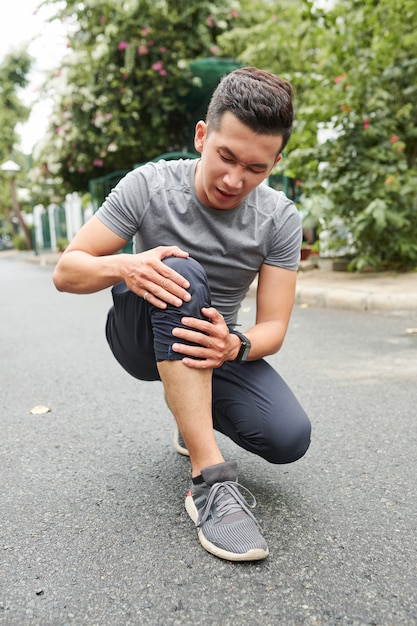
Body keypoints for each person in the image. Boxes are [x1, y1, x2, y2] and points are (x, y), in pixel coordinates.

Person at [53, 66, 311, 562]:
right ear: (201, 136)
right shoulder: (148, 185)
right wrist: (127, 266)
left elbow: (274, 326)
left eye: (256, 168)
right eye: (226, 156)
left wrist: (238, 345)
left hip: (208, 345)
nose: (235, 180)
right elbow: (67, 271)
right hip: (138, 333)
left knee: (288, 437)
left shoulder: (280, 218)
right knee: (182, 271)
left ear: (276, 162)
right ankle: (210, 481)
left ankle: (189, 410)